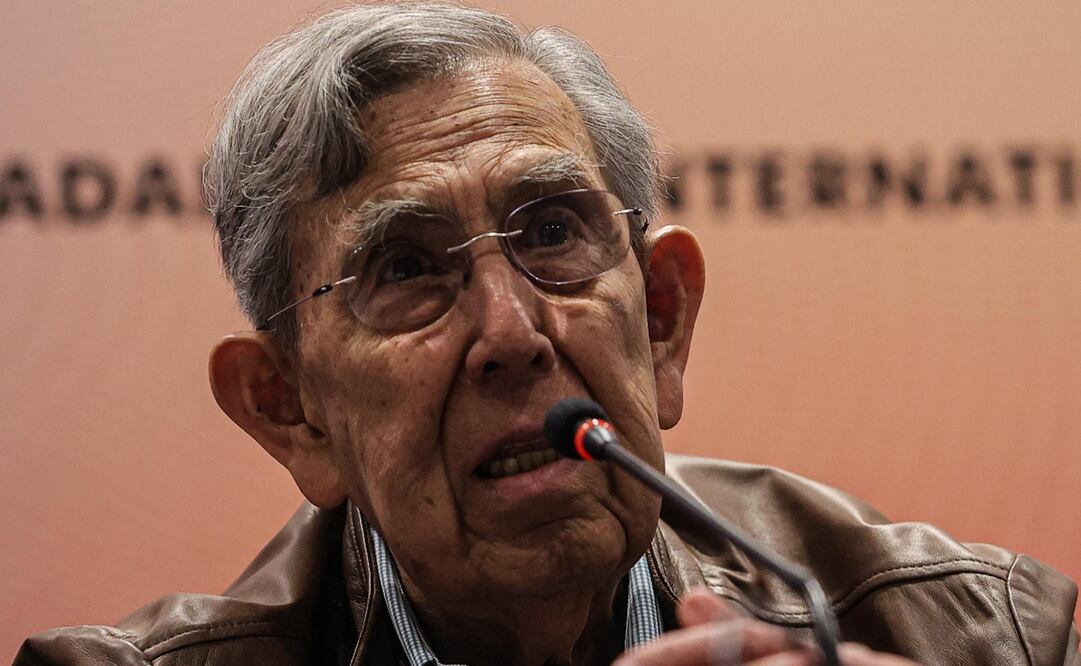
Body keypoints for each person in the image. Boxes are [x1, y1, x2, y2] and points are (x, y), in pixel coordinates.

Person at [17, 4, 1078, 665]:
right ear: (291, 410)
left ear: (660, 322)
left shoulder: (972, 634)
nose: (512, 334)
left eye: (556, 232)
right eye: (403, 270)